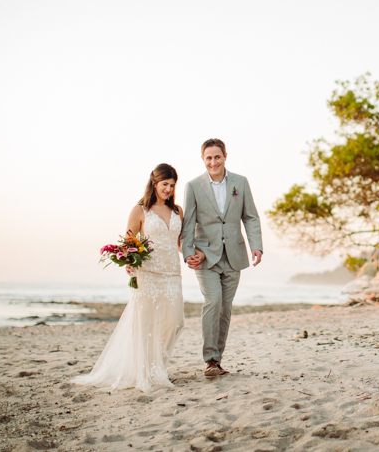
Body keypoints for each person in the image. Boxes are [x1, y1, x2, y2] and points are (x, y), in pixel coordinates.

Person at [73, 164, 185, 392]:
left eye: (172, 186)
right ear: (154, 183)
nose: (169, 189)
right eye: (165, 184)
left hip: (172, 275)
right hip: (148, 275)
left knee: (174, 322)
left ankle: (158, 367)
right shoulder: (140, 210)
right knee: (146, 325)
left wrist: (194, 254)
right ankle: (148, 372)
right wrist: (129, 262)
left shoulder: (178, 211)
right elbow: (129, 241)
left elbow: (180, 243)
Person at [181, 138, 263, 377]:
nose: (213, 162)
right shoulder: (193, 186)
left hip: (234, 255)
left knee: (225, 308)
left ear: (225, 156)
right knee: (213, 301)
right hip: (205, 256)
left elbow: (250, 217)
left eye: (217, 157)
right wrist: (188, 253)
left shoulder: (240, 182)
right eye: (208, 158)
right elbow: (187, 225)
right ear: (203, 159)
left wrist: (256, 245)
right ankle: (210, 360)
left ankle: (218, 360)